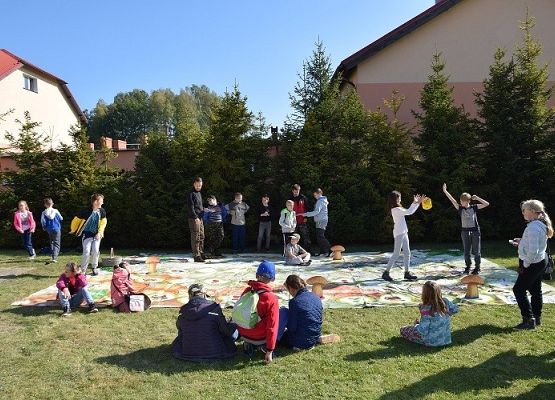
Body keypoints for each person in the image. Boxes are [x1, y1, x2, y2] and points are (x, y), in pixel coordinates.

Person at [510, 199, 553, 329]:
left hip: (533, 263)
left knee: (518, 289)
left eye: (525, 210)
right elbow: (536, 244)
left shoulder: (534, 227)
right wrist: (522, 241)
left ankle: (529, 320)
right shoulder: (538, 224)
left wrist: (526, 264)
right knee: (535, 290)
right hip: (539, 261)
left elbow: (533, 251)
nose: (523, 212)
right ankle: (537, 317)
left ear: (532, 212)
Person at [172, 284, 238, 361]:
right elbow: (225, 331)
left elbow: (180, 331)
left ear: (189, 295)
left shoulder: (183, 311)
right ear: (204, 295)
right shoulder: (214, 308)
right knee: (234, 326)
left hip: (187, 353)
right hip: (217, 352)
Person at [236, 261, 279, 363]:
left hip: (244, 333)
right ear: (272, 279)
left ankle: (249, 345)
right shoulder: (271, 298)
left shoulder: (247, 290)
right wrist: (270, 350)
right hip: (260, 337)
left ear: (256, 275)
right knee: (278, 318)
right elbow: (272, 326)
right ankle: (263, 347)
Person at [443, 183, 490, 274]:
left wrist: (477, 198)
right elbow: (452, 200)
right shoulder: (460, 208)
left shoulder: (474, 207)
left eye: (462, 201)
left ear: (467, 201)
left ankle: (477, 268)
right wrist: (445, 191)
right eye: (460, 201)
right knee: (466, 252)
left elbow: (487, 204)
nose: (460, 202)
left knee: (476, 251)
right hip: (464, 232)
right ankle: (468, 267)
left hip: (475, 231)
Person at [400, 281, 459, 346]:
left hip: (430, 341)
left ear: (424, 294)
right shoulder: (445, 302)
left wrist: (416, 326)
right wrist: (447, 313)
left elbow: (423, 331)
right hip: (445, 339)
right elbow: (455, 309)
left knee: (403, 329)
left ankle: (414, 326)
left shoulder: (426, 308)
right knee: (424, 324)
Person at [382, 191, 424, 282]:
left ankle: (407, 273)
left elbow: (409, 211)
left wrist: (416, 202)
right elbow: (409, 212)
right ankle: (386, 272)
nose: (400, 199)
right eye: (399, 197)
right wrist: (417, 203)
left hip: (403, 232)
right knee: (396, 253)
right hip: (399, 233)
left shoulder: (397, 208)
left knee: (407, 253)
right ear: (396, 199)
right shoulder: (396, 210)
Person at [279, 275, 323, 350]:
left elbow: (292, 328)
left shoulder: (295, 302)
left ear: (291, 288)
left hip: (300, 341)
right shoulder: (316, 297)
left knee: (281, 336)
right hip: (315, 337)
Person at [70, 193, 107, 275]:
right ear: (95, 202)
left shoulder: (102, 211)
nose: (103, 203)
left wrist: (100, 233)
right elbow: (76, 220)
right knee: (86, 252)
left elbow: (103, 222)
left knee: (95, 251)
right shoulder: (85, 211)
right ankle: (83, 270)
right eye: (101, 201)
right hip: (87, 235)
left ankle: (94, 267)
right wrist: (73, 230)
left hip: (97, 235)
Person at [299, 188, 330, 257]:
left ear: (319, 193)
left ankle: (329, 250)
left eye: (315, 195)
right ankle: (323, 252)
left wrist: (305, 214)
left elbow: (316, 212)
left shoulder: (320, 201)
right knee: (319, 236)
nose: (315, 197)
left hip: (321, 220)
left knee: (320, 236)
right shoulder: (322, 200)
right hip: (321, 220)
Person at [187, 177, 205, 263]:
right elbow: (191, 207)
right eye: (197, 185)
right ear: (194, 184)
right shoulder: (191, 193)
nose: (198, 187)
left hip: (200, 218)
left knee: (202, 236)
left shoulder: (199, 193)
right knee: (196, 237)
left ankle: (201, 253)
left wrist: (204, 210)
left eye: (200, 186)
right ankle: (196, 255)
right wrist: (195, 217)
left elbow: (199, 206)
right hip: (194, 218)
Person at [41, 197, 63, 263]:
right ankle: (54, 257)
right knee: (57, 243)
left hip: (49, 229)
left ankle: (52, 255)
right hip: (56, 228)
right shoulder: (56, 211)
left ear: (45, 205)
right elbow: (61, 218)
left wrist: (44, 227)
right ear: (52, 204)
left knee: (52, 242)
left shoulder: (43, 212)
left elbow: (43, 221)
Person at [289, 184, 312, 250]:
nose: (296, 192)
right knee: (294, 236)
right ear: (292, 191)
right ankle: (294, 250)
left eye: (298, 191)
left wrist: (306, 217)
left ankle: (308, 250)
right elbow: (288, 210)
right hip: (293, 220)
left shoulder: (303, 198)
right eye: (295, 191)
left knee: (306, 236)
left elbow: (307, 208)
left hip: (302, 219)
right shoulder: (290, 199)